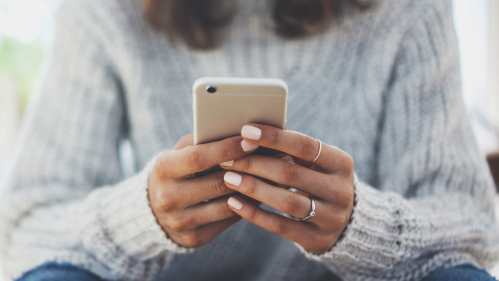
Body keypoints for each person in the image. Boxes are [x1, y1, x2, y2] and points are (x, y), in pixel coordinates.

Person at [1, 0, 498, 280]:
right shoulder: (102, 12)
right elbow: (26, 225)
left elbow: (471, 226)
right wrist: (143, 214)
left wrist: (359, 226)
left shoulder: (409, 10)